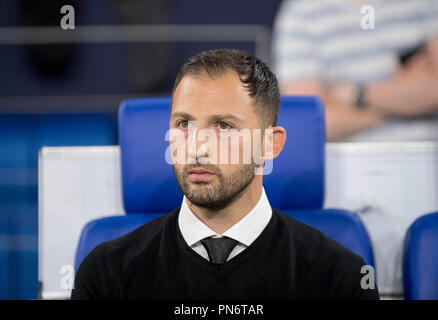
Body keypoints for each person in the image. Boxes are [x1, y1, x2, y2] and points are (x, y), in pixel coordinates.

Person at [71, 49, 379, 300]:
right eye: (183, 124)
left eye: (224, 127)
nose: (197, 147)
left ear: (270, 144)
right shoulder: (106, 275)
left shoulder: (339, 279)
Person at [273, 0, 438, 142]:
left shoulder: (424, 3)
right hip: (347, 171)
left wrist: (357, 94)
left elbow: (433, 90)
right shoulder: (302, 13)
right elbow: (309, 123)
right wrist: (406, 99)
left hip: (428, 165)